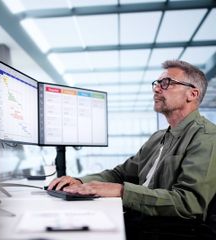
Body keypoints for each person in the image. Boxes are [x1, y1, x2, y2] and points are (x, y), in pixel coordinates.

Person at [48, 60, 216, 237]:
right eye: (157, 84)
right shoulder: (158, 137)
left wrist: (121, 191)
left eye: (166, 83)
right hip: (139, 220)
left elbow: (189, 203)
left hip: (169, 230)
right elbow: (120, 173)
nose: (157, 89)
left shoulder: (206, 137)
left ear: (192, 93)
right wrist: (80, 182)